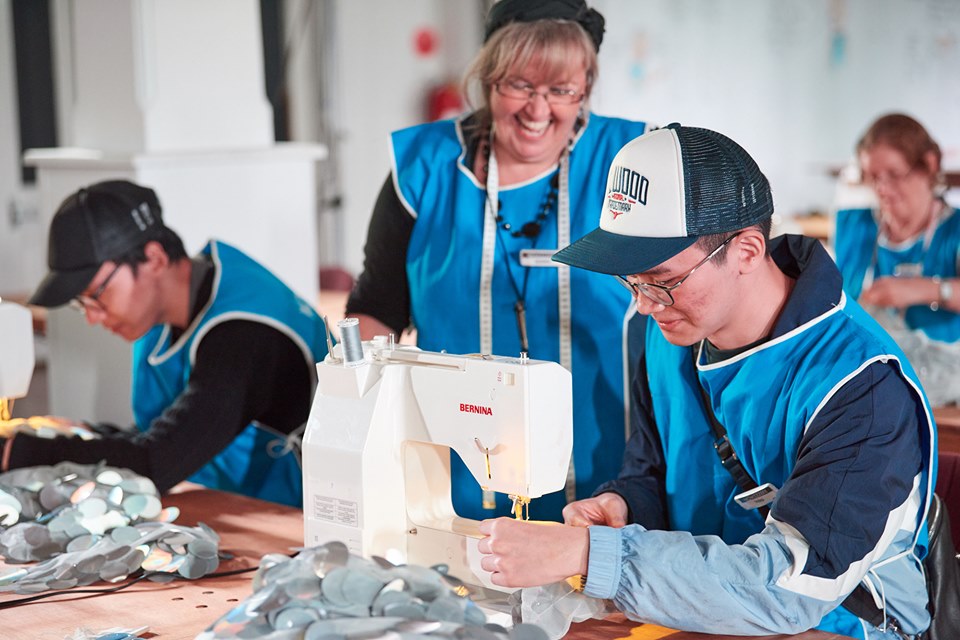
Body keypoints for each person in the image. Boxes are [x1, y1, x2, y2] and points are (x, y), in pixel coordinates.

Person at [477, 124, 936, 638]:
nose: (643, 304)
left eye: (663, 281)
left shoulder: (862, 388)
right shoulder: (667, 335)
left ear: (745, 251)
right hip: (705, 616)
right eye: (630, 281)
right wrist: (623, 504)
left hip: (836, 626)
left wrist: (591, 553)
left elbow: (783, 590)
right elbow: (650, 468)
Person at [345, 0, 653, 522]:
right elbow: (377, 306)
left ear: (586, 90)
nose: (538, 110)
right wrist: (354, 410)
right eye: (520, 85)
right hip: (452, 483)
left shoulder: (629, 161)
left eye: (561, 90)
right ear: (488, 80)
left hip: (610, 484)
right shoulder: (423, 169)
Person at [2, 180, 328, 507]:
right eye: (81, 304)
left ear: (154, 259)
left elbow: (156, 463)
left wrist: (17, 451)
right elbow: (167, 432)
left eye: (96, 296)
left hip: (301, 522)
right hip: (232, 506)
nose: (92, 318)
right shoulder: (168, 313)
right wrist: (87, 432)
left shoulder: (244, 334)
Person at [834, 113, 959, 342]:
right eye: (873, 177)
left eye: (894, 175)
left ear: (929, 164)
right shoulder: (854, 226)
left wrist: (925, 290)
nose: (882, 188)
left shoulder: (954, 230)